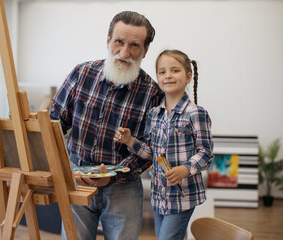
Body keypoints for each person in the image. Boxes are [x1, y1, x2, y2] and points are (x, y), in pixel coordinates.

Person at [50, 11, 164, 240]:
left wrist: (112, 176)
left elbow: (150, 150)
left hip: (124, 187)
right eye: (119, 42)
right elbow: (55, 124)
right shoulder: (81, 74)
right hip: (77, 179)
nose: (124, 52)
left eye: (134, 45)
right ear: (108, 40)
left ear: (145, 50)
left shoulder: (153, 93)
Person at [114, 49, 214, 240]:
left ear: (188, 77)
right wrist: (130, 141)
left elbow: (206, 153)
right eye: (162, 72)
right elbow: (151, 153)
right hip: (158, 195)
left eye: (175, 70)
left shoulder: (196, 113)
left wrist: (185, 169)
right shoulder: (154, 114)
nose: (168, 75)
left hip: (182, 197)